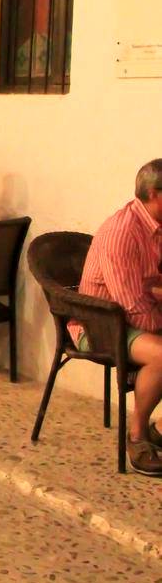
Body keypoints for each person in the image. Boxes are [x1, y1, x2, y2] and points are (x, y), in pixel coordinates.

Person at [74, 160, 162, 476]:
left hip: (136, 314)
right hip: (100, 324)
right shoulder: (123, 232)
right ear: (154, 194)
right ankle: (137, 434)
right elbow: (132, 307)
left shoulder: (155, 224)